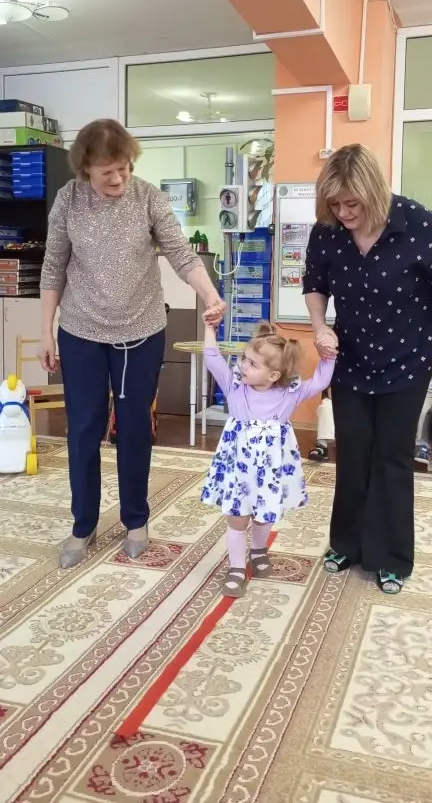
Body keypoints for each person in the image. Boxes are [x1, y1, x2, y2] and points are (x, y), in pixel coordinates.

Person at [39, 119, 225, 569]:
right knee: (83, 429)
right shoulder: (68, 201)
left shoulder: (148, 198)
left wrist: (210, 294)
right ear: (85, 168)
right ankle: (83, 525)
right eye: (107, 172)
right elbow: (53, 267)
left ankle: (136, 521)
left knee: (134, 426)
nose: (118, 179)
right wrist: (46, 329)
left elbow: (181, 253)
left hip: (141, 331)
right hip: (81, 332)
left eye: (123, 169)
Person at [303, 143, 432, 594]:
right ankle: (347, 544)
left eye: (352, 204)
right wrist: (320, 327)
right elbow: (315, 283)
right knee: (353, 453)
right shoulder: (327, 231)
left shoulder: (417, 223)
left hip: (408, 360)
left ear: (374, 193)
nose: (343, 213)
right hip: (351, 361)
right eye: (335, 204)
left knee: (392, 457)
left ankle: (392, 557)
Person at [200, 319, 335, 597]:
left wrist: (328, 357)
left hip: (271, 470)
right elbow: (212, 358)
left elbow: (321, 380)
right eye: (244, 359)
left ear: (274, 375)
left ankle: (259, 550)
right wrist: (210, 328)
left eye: (252, 364)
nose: (243, 366)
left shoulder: (290, 392)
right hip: (239, 468)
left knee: (264, 515)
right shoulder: (235, 386)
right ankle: (237, 567)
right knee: (238, 517)